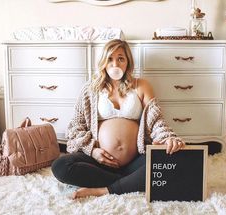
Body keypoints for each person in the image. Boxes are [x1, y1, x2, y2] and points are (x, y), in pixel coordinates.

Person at [51, 39, 185, 199]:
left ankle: (104, 189)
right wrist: (93, 151)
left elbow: (156, 121)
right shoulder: (91, 89)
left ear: (127, 62)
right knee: (60, 166)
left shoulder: (141, 86)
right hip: (99, 162)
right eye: (110, 59)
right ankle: (130, 183)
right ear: (104, 62)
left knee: (177, 159)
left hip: (135, 161)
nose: (115, 64)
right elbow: (76, 127)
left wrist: (168, 138)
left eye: (120, 58)